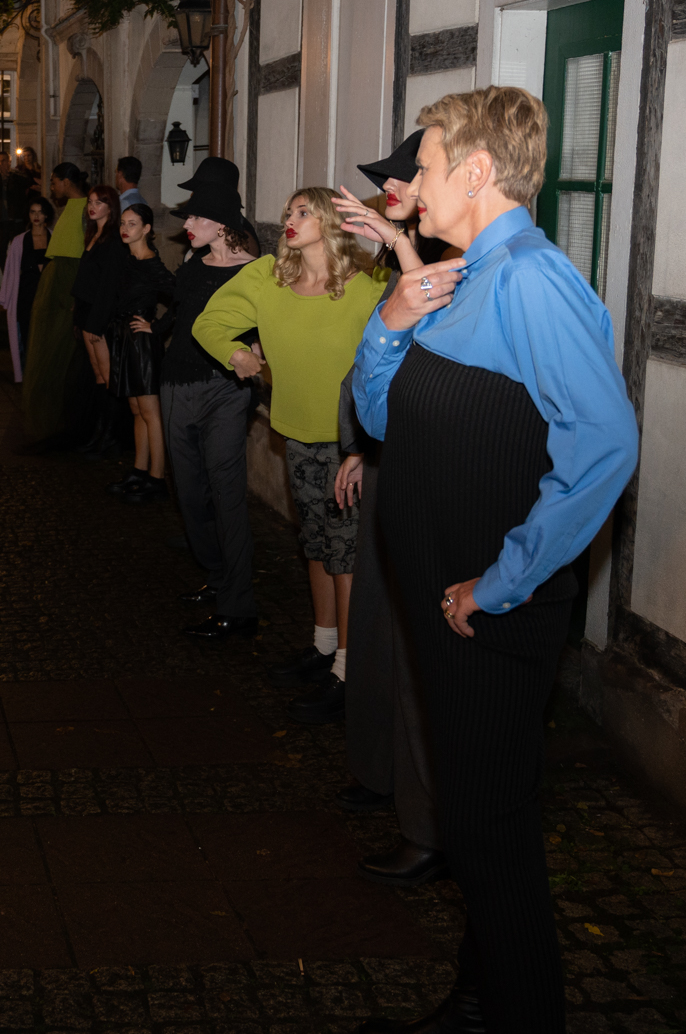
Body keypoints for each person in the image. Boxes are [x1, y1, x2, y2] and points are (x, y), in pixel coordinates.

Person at [351, 89, 637, 1034]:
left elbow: (603, 445)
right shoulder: (460, 277)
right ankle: (481, 1000)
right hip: (446, 605)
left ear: (477, 172)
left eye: (426, 166)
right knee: (480, 819)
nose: (412, 184)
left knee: (488, 829)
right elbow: (382, 419)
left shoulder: (530, 281)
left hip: (488, 614)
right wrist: (391, 318)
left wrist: (504, 581)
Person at [314, 132, 448, 891]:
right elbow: (377, 370)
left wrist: (400, 248)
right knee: (373, 629)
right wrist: (362, 447)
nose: (390, 188)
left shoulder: (449, 263)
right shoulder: (404, 260)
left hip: (427, 474)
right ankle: (380, 772)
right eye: (390, 179)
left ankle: (427, 826)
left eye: (403, 177)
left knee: (412, 646)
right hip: (389, 460)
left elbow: (432, 359)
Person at [192, 188, 385, 659]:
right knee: (315, 545)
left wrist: (366, 447)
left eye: (303, 212)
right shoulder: (268, 277)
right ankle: (323, 647)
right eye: (288, 213)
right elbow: (208, 323)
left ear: (330, 221)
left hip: (348, 446)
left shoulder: (368, 289)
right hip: (296, 438)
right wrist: (236, 353)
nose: (289, 220)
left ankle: (347, 669)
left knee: (344, 557)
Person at [160, 160, 263, 634]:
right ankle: (219, 576)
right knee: (190, 493)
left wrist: (256, 349)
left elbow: (265, 326)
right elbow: (180, 320)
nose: (187, 224)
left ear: (220, 223)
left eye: (196, 217)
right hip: (175, 385)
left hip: (225, 390)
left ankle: (238, 605)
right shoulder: (191, 266)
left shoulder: (256, 272)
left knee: (226, 492)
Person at [107, 202, 175, 502]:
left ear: (146, 229)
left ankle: (157, 479)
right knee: (137, 410)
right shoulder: (127, 260)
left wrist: (156, 326)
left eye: (132, 223)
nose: (125, 228)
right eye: (123, 223)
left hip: (143, 344)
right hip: (124, 339)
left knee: (151, 412)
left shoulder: (151, 263)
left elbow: (182, 298)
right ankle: (139, 470)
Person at [20, 163, 90, 443]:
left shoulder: (85, 209)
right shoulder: (70, 208)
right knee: (45, 352)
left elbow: (85, 256)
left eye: (53, 181)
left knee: (57, 356)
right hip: (56, 286)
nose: (51, 187)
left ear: (66, 182)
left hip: (66, 289)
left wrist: (77, 297)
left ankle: (56, 422)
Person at [70, 183, 127, 455]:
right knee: (97, 375)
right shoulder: (94, 234)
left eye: (99, 202)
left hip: (98, 314)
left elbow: (108, 286)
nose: (92, 207)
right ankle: (100, 432)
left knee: (107, 375)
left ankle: (111, 435)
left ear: (110, 207)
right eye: (90, 202)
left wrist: (96, 321)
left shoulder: (114, 240)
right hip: (85, 310)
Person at [0, 196, 54, 381]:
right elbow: (11, 271)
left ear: (46, 215)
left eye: (40, 212)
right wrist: (7, 297)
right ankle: (30, 376)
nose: (36, 216)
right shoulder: (19, 241)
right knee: (28, 338)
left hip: (49, 298)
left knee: (46, 338)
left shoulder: (55, 238)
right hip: (26, 297)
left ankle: (45, 376)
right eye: (32, 212)